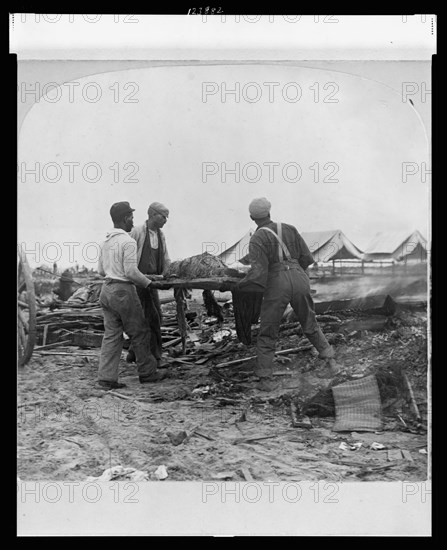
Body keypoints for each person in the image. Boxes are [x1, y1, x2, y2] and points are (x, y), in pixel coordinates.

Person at [235, 197, 341, 391]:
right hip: (300, 278)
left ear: (252, 217)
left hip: (277, 283)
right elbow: (307, 259)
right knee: (310, 323)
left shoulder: (257, 238)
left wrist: (240, 284)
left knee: (268, 330)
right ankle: (332, 363)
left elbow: (259, 273)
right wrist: (295, 273)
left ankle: (266, 379)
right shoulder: (290, 228)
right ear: (269, 212)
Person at [97, 201, 167, 389]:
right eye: (131, 217)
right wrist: (150, 283)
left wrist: (114, 272)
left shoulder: (105, 241)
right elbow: (131, 272)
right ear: (126, 218)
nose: (132, 221)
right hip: (123, 291)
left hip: (106, 290)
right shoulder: (127, 241)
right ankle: (147, 373)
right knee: (141, 331)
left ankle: (106, 378)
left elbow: (101, 271)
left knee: (112, 335)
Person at [127, 202, 171, 366]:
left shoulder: (161, 235)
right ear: (152, 215)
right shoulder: (137, 231)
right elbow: (129, 256)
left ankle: (132, 353)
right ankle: (156, 357)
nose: (166, 220)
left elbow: (165, 257)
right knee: (151, 317)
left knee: (155, 315)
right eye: (163, 216)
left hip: (154, 282)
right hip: (139, 281)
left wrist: (168, 273)